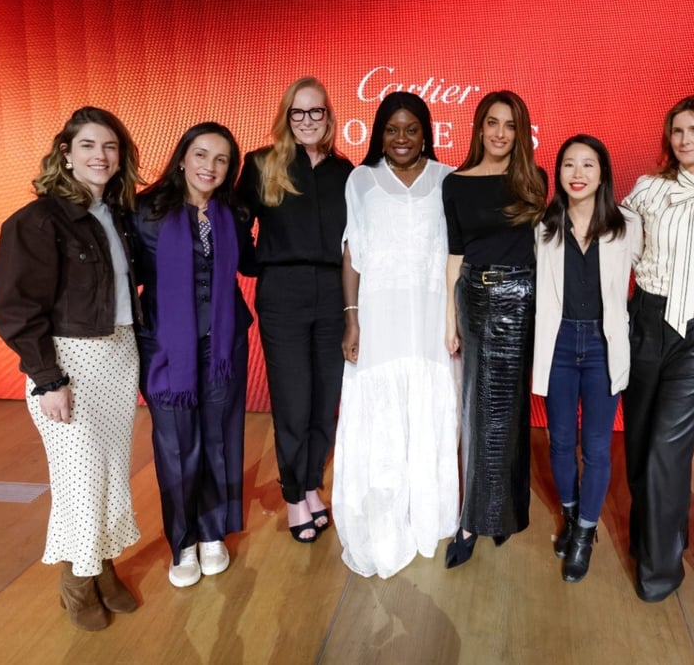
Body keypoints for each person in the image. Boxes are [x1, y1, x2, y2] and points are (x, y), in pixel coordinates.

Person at [0, 106, 144, 630]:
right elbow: (16, 310)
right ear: (66, 153)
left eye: (110, 147)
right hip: (68, 363)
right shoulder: (36, 220)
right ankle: (76, 584)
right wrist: (48, 380)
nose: (100, 156)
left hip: (120, 358)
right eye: (88, 146)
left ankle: (101, 566)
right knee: (80, 478)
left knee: (108, 475)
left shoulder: (116, 213)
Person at [333, 91, 459, 578]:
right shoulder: (361, 181)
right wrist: (352, 317)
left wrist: (454, 321)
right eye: (391, 129)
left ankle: (425, 511)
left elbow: (455, 259)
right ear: (378, 134)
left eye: (410, 129)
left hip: (430, 320)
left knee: (428, 410)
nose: (401, 138)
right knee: (380, 414)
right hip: (380, 319)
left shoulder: (448, 180)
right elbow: (353, 251)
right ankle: (385, 516)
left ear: (426, 132)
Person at [621, 95, 694, 602]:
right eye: (677, 132)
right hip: (645, 321)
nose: (685, 140)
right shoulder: (649, 189)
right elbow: (613, 242)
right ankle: (651, 537)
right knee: (639, 443)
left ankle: (659, 572)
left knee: (669, 450)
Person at [131, 122, 253, 587]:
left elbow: (249, 262)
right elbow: (130, 278)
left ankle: (211, 532)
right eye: (202, 155)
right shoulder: (145, 211)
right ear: (182, 157)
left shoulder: (234, 213)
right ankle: (182, 540)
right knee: (176, 446)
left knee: (220, 438)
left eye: (222, 160)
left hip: (223, 344)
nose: (210, 166)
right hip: (167, 347)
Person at [235, 77, 353, 543]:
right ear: (286, 117)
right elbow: (236, 222)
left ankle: (310, 483)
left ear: (328, 116)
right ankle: (292, 492)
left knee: (326, 401)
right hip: (282, 292)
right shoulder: (262, 164)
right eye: (297, 113)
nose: (306, 121)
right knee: (293, 399)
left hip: (332, 289)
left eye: (315, 112)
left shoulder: (347, 173)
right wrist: (255, 262)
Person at [443, 90, 546, 568]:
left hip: (522, 300)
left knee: (507, 412)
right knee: (478, 412)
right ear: (479, 127)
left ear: (520, 132)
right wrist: (451, 318)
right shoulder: (456, 183)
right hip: (475, 297)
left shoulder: (535, 180)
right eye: (492, 123)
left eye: (510, 125)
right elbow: (455, 254)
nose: (500, 133)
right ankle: (477, 517)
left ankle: (497, 513)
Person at [533, 135, 640, 582]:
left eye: (588, 165)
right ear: (558, 173)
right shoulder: (543, 225)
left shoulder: (627, 224)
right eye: (569, 165)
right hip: (557, 345)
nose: (577, 174)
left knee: (596, 447)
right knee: (560, 441)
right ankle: (573, 514)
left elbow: (654, 273)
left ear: (603, 174)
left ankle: (583, 535)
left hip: (602, 344)